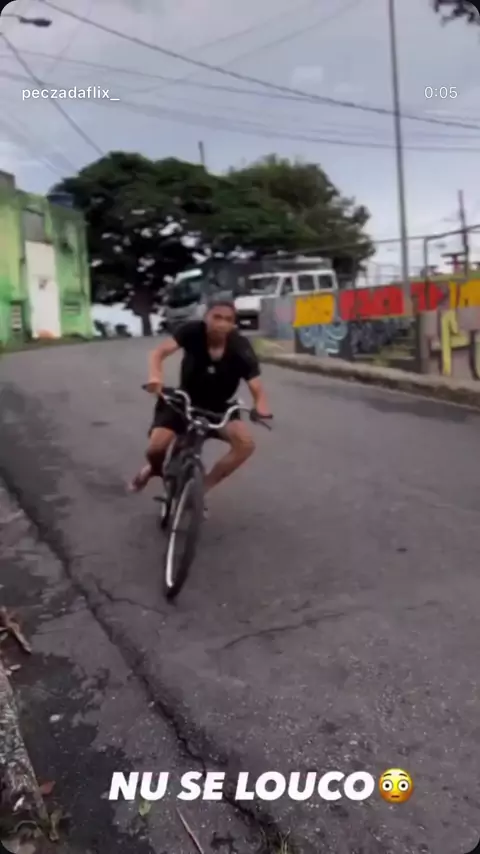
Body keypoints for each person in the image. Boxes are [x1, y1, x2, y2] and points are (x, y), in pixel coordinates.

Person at [129, 297, 272, 500]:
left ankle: (202, 489)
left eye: (228, 320)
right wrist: (155, 377)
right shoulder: (192, 331)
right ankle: (153, 469)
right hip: (184, 400)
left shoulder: (240, 346)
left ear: (233, 324)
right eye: (217, 317)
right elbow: (158, 353)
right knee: (156, 449)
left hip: (219, 408)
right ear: (206, 317)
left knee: (245, 445)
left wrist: (261, 406)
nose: (221, 324)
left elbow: (255, 385)